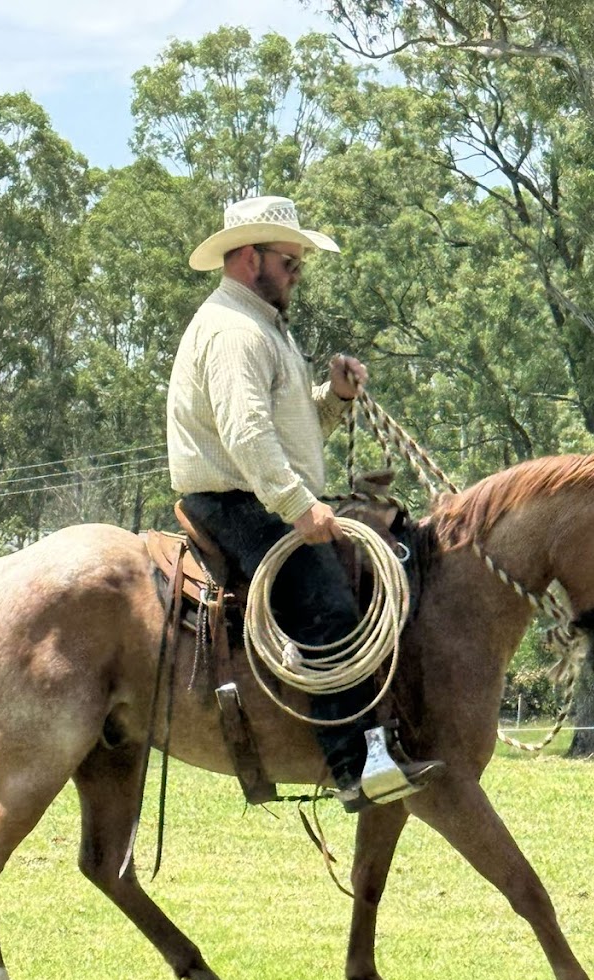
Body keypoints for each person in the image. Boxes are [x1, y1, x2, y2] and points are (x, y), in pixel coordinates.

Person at [167, 194, 443, 810]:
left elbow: (285, 433)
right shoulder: (236, 332)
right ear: (247, 258)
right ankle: (357, 768)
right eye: (289, 262)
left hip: (256, 493)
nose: (296, 275)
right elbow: (247, 439)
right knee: (328, 609)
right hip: (237, 503)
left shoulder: (261, 327)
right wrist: (298, 506)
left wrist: (333, 397)